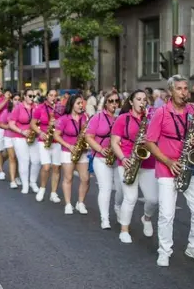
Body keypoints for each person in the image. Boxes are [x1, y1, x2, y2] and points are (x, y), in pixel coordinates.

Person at [143, 75, 194, 268]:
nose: (184, 92)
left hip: (190, 166)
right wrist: (168, 161)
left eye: (185, 88)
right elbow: (149, 142)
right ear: (170, 92)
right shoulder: (161, 113)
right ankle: (164, 251)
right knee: (166, 214)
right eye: (180, 89)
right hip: (167, 167)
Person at [109, 91, 158, 243]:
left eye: (144, 100)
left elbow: (158, 141)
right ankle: (124, 229)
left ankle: (147, 218)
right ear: (131, 102)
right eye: (138, 99)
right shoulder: (123, 119)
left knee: (153, 199)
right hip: (128, 160)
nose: (142, 102)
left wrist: (150, 140)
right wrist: (123, 158)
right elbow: (114, 142)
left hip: (147, 161)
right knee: (131, 197)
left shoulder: (151, 119)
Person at [86, 92, 124, 230]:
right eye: (111, 101)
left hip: (118, 158)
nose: (114, 103)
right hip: (101, 158)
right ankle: (105, 218)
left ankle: (118, 207)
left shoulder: (120, 118)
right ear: (106, 103)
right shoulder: (97, 117)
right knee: (105, 188)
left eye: (116, 101)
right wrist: (101, 149)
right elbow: (89, 137)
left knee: (121, 189)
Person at [53, 93, 90, 215]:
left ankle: (80, 203)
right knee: (68, 178)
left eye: (82, 103)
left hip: (82, 151)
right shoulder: (64, 119)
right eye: (78, 103)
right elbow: (56, 135)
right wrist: (69, 146)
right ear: (72, 104)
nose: (81, 105)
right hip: (67, 151)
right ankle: (68, 204)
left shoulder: (85, 117)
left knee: (85, 178)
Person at [8, 89, 39, 194]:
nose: (32, 98)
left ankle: (33, 182)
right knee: (24, 161)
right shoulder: (18, 108)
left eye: (33, 96)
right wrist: (22, 131)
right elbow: (11, 124)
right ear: (24, 96)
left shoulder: (36, 107)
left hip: (33, 137)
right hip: (19, 137)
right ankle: (25, 185)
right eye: (30, 96)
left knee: (36, 161)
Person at [33, 89, 62, 203]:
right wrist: (40, 132)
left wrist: (58, 123)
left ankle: (53, 193)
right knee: (46, 167)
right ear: (47, 96)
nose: (53, 97)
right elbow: (33, 123)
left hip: (57, 141)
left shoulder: (60, 109)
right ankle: (42, 188)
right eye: (51, 95)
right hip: (44, 140)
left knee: (56, 167)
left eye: (55, 95)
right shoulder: (40, 108)